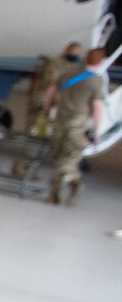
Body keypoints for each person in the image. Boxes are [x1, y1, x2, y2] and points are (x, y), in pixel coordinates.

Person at [48, 45, 109, 205]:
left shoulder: (70, 72)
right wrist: (97, 133)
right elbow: (97, 109)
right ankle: (73, 185)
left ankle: (55, 194)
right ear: (101, 62)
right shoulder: (96, 81)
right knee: (68, 159)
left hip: (59, 122)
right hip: (76, 126)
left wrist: (45, 109)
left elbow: (51, 91)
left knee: (61, 158)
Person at [29, 42, 82, 135]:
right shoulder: (54, 65)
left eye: (77, 54)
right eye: (73, 53)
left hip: (55, 101)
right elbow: (52, 85)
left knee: (48, 128)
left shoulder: (72, 66)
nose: (74, 56)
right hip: (43, 98)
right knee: (35, 126)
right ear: (66, 51)